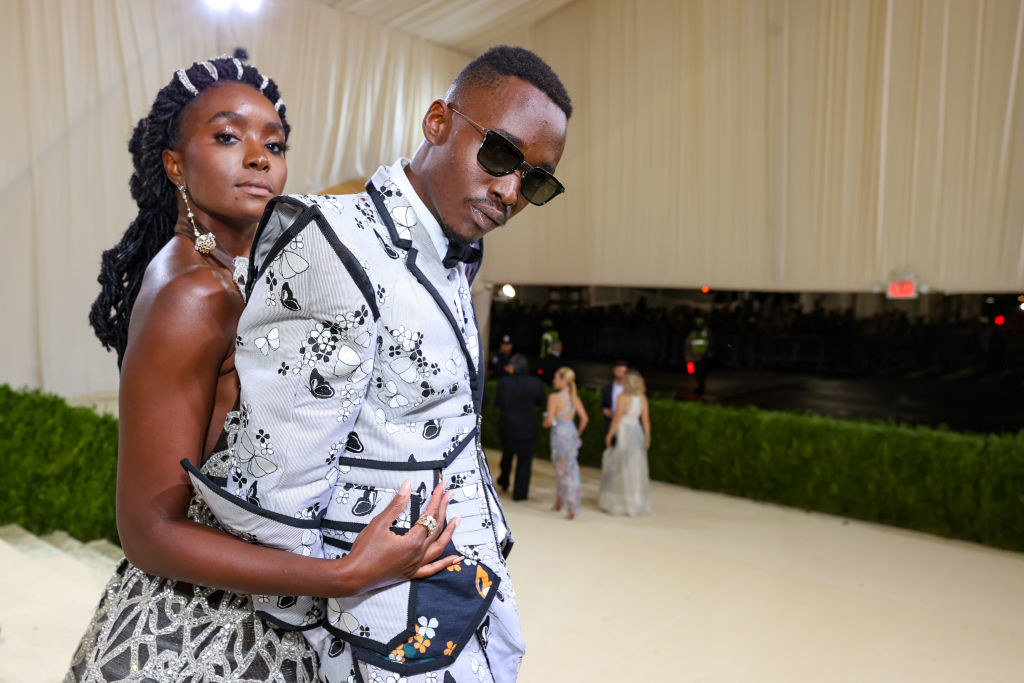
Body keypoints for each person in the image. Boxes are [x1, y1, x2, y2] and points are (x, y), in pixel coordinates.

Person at [185, 45, 572, 682]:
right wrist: (325, 629)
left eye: (536, 181)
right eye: (501, 154)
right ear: (438, 123)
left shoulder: (450, 252)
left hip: (453, 609)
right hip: (370, 630)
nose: (509, 191)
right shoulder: (335, 246)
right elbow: (280, 489)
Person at [69, 55, 457, 682]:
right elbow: (147, 530)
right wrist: (344, 575)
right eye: (227, 136)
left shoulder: (240, 277)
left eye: (273, 143)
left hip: (263, 610)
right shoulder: (193, 292)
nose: (259, 157)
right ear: (174, 163)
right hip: (197, 636)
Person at [599, 370, 652, 516]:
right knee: (635, 466)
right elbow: (646, 420)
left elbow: (616, 419)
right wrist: (648, 438)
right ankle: (634, 501)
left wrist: (609, 435)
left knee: (620, 465)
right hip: (637, 432)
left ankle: (620, 501)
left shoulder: (622, 397)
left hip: (624, 432)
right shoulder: (642, 398)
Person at [495, 353, 547, 500]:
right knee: (524, 461)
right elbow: (541, 401)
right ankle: (520, 494)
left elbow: (499, 403)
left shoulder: (504, 382)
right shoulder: (535, 383)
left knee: (507, 456)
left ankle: (504, 481)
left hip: (508, 426)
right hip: (527, 427)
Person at [543, 367, 589, 520]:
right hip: (571, 435)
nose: (554, 380)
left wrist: (545, 422)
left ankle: (570, 507)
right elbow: (584, 419)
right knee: (569, 470)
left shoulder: (554, 397)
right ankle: (560, 503)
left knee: (563, 472)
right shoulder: (574, 398)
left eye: (556, 378)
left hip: (559, 436)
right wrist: (577, 434)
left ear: (564, 381)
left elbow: (549, 421)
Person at [601, 360, 629, 440]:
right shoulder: (607, 388)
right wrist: (605, 410)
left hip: (626, 425)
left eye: (624, 372)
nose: (622, 374)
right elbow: (603, 405)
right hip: (610, 423)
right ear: (614, 371)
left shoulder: (630, 389)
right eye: (619, 371)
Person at [686, 317, 711, 395]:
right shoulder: (694, 333)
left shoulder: (705, 333)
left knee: (700, 373)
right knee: (695, 373)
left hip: (702, 357)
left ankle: (700, 387)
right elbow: (688, 344)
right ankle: (698, 386)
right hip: (695, 357)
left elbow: (709, 344)